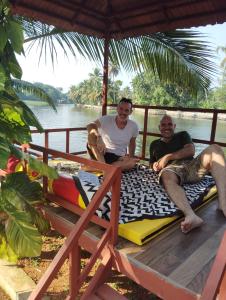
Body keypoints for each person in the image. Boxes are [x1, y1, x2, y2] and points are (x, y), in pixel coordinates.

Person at [149, 114, 226, 233]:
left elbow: (191, 150)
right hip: (171, 170)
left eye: (169, 124)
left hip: (192, 167)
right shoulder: (154, 144)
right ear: (159, 127)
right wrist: (154, 166)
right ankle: (191, 216)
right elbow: (152, 163)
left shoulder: (182, 135)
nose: (166, 127)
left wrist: (168, 156)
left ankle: (223, 203)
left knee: (215, 148)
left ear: (174, 126)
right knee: (166, 174)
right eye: (163, 125)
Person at [87, 98, 140, 170]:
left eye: (126, 110)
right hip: (102, 153)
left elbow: (132, 143)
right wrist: (99, 137)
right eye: (121, 109)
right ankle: (106, 168)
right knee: (91, 136)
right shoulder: (106, 119)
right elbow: (90, 125)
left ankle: (104, 168)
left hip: (118, 158)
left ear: (130, 112)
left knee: (131, 163)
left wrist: (130, 158)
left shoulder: (134, 126)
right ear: (117, 109)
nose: (123, 112)